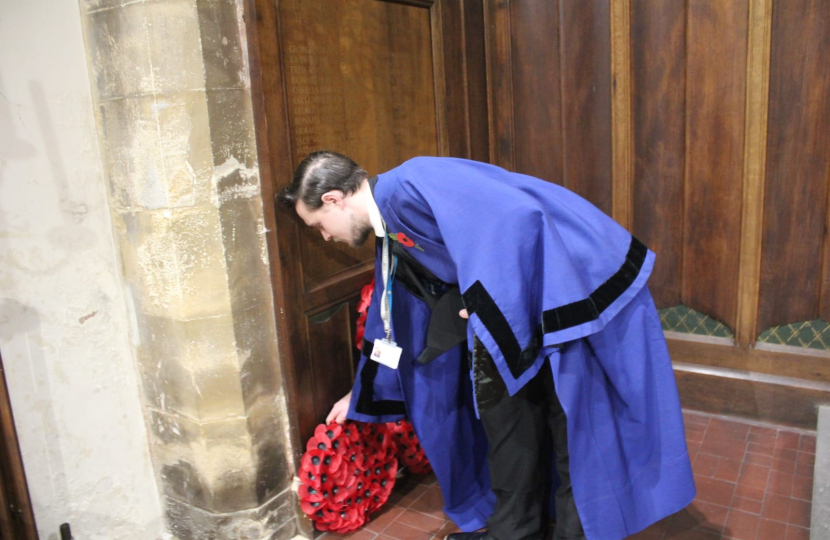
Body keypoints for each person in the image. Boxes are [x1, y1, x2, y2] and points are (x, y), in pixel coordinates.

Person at [278, 152, 696, 540]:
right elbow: (391, 318)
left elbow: (511, 219)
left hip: (568, 290)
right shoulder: (391, 225)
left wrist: (482, 304)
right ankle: (515, 531)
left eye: (318, 226)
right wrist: (362, 388)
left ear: (333, 199)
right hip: (522, 311)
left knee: (574, 427)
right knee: (511, 427)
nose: (326, 238)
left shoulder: (410, 183)